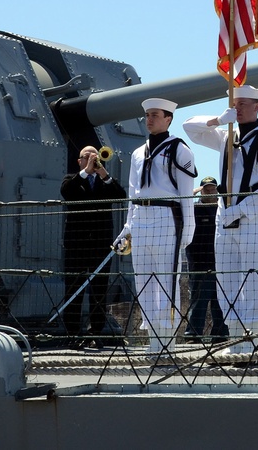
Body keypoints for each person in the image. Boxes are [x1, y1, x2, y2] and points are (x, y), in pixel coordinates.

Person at [182, 85, 258, 356]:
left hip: (252, 217)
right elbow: (189, 127)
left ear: (257, 106)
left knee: (252, 277)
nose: (237, 108)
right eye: (234, 103)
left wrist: (240, 209)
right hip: (224, 218)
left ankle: (250, 339)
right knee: (226, 279)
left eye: (242, 103)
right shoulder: (226, 135)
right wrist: (218, 120)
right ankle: (234, 337)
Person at [114, 98, 197, 356]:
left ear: (168, 118)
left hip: (166, 216)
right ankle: (153, 341)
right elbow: (132, 192)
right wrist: (128, 226)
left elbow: (186, 194)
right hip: (141, 216)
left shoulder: (180, 150)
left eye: (155, 114)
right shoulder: (138, 153)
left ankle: (166, 342)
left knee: (166, 281)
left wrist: (188, 229)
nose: (149, 119)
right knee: (144, 282)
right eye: (147, 115)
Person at [59, 145, 127, 348]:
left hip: (100, 245)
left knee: (99, 290)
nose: (91, 160)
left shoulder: (105, 182)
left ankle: (96, 332)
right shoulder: (71, 180)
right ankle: (72, 334)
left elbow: (120, 195)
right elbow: (66, 192)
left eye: (95, 157)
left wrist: (103, 173)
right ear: (79, 161)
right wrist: (85, 172)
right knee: (73, 289)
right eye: (86, 157)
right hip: (77, 245)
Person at [184, 176, 230, 342]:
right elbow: (181, 202)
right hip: (199, 261)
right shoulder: (193, 209)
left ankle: (220, 333)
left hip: (221, 260)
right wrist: (193, 193)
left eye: (213, 189)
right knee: (199, 299)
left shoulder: (224, 207)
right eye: (206, 189)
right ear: (201, 190)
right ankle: (193, 334)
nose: (210, 192)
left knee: (220, 299)